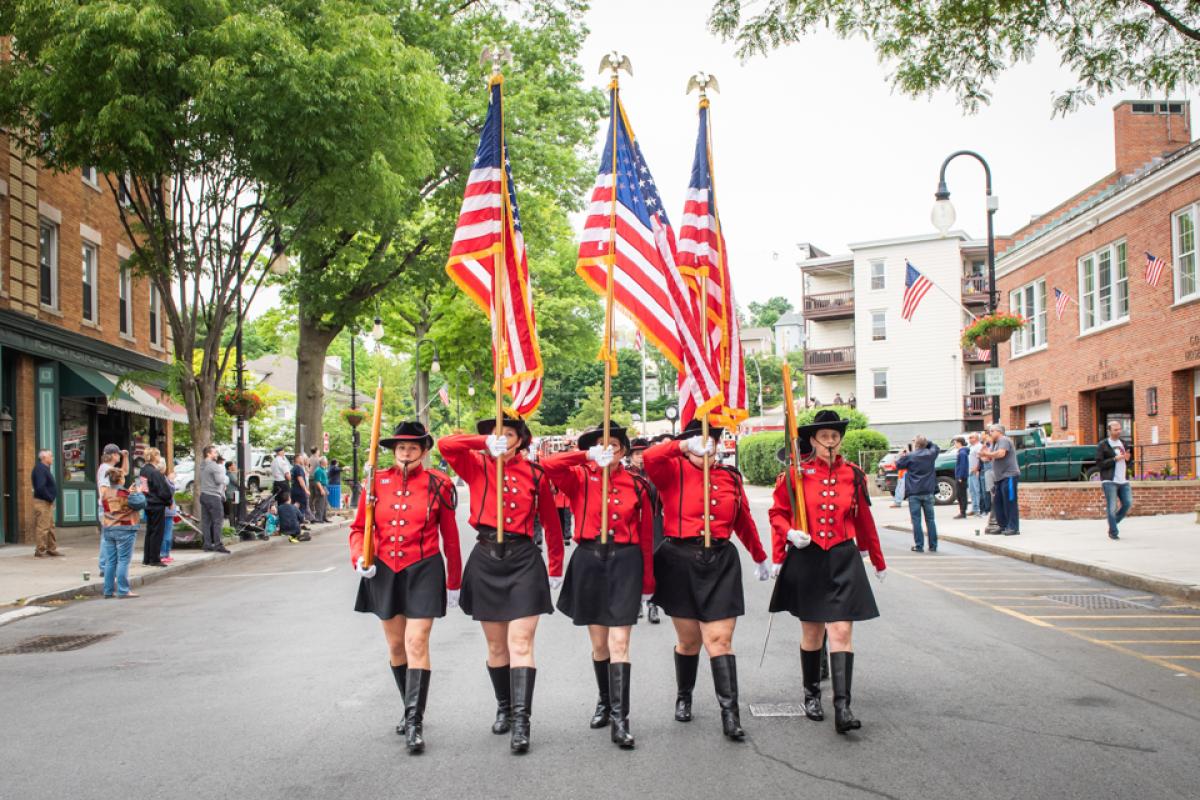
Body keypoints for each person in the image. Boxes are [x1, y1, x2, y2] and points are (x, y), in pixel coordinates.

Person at [439, 413, 564, 754]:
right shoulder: (477, 465)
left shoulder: (535, 474)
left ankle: (522, 723)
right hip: (486, 559)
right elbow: (445, 445)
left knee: (521, 642)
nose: (503, 439)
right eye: (497, 434)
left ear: (521, 439)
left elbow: (552, 523)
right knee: (497, 648)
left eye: (509, 434)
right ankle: (505, 706)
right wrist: (484, 443)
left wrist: (555, 566)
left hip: (523, 558)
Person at [642, 419, 770, 742]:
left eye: (711, 441)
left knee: (719, 640)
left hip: (720, 561)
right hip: (680, 561)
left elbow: (743, 519)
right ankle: (684, 695)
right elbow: (649, 458)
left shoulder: (730, 478)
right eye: (700, 442)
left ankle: (731, 715)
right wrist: (683, 445)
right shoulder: (671, 471)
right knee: (689, 642)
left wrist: (759, 555)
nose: (706, 447)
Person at [768, 409, 885, 735]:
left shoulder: (854, 475)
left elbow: (864, 520)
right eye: (824, 437)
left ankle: (843, 706)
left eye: (835, 436)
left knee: (842, 632)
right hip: (809, 557)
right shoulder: (796, 475)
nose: (831, 442)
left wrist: (877, 559)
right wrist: (789, 534)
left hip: (843, 557)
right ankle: (811, 694)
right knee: (812, 634)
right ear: (812, 441)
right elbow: (777, 513)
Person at [350, 421, 463, 754]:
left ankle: (414, 722)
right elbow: (358, 529)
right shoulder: (375, 482)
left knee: (417, 641)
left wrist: (453, 581)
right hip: (385, 569)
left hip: (423, 568)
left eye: (413, 448)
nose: (406, 453)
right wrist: (360, 557)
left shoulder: (438, 484)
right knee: (397, 645)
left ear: (424, 452)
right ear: (393, 450)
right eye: (401, 448)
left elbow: (451, 538)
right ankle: (408, 706)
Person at [541, 423, 654, 750]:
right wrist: (586, 455)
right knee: (600, 644)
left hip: (626, 562)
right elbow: (548, 467)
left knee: (620, 642)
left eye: (615, 446)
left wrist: (648, 583)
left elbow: (646, 537)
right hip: (589, 560)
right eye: (603, 446)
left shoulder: (638, 484)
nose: (610, 451)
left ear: (624, 450)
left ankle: (621, 720)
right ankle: (605, 702)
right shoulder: (578, 477)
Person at [627, 437, 662, 625]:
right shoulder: (625, 475)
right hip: (632, 524)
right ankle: (636, 602)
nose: (640, 457)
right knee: (635, 563)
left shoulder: (656, 474)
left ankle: (653, 604)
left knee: (653, 563)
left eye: (643, 454)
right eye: (637, 454)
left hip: (655, 523)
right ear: (630, 456)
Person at [99, 468, 141, 598]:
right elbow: (140, 503)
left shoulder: (105, 493)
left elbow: (116, 504)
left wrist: (129, 492)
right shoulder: (124, 493)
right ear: (121, 479)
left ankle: (108, 590)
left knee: (110, 561)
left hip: (108, 528)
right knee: (123, 560)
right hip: (125, 527)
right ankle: (123, 590)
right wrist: (137, 493)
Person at [896, 436, 941, 553]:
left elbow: (898, 464)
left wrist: (901, 454)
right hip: (928, 491)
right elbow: (936, 447)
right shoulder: (930, 454)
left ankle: (919, 545)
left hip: (914, 492)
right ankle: (933, 545)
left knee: (916, 520)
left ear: (916, 444)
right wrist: (927, 442)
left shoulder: (910, 456)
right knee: (930, 520)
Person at [1097, 421, 1133, 540]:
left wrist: (1128, 459)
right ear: (1109, 431)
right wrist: (1114, 459)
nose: (1118, 432)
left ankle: (1112, 523)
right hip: (1109, 480)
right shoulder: (1103, 445)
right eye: (1115, 430)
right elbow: (1099, 464)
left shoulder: (1123, 443)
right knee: (1112, 507)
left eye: (1119, 429)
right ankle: (1113, 532)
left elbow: (1129, 460)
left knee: (1128, 503)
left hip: (1123, 480)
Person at [96, 444, 129, 575]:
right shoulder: (105, 469)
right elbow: (104, 490)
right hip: (107, 508)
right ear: (113, 455)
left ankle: (105, 566)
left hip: (107, 507)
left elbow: (124, 472)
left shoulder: (108, 468)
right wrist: (113, 505)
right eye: (118, 454)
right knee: (107, 538)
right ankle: (104, 566)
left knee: (107, 537)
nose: (119, 456)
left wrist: (125, 457)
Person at [982, 424, 1020, 536]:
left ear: (999, 431)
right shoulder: (995, 443)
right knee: (998, 503)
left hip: (1009, 476)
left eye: (992, 431)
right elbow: (989, 457)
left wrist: (987, 453)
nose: (990, 433)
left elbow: (1001, 454)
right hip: (999, 478)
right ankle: (1003, 526)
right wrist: (984, 455)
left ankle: (1013, 527)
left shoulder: (1003, 440)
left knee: (1010, 502)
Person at [139, 448, 173, 566]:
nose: (159, 458)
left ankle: (147, 558)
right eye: (158, 455)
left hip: (147, 501)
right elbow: (163, 490)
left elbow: (144, 487)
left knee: (150, 531)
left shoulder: (143, 470)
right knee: (157, 532)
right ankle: (154, 558)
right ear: (155, 457)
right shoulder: (155, 473)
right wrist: (168, 500)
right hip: (157, 503)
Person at [198, 445, 229, 553]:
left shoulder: (202, 465)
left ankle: (207, 544)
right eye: (215, 452)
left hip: (204, 495)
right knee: (217, 521)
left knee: (206, 521)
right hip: (213, 496)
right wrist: (226, 479)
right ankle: (218, 544)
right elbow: (219, 480)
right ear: (209, 454)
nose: (216, 455)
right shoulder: (214, 466)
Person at [31, 449, 61, 557]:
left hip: (46, 502)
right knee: (43, 527)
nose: (52, 458)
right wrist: (49, 498)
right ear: (44, 458)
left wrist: (50, 500)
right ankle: (40, 550)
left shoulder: (45, 469)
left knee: (50, 526)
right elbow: (40, 487)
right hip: (42, 502)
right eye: (51, 456)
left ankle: (51, 548)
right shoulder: (40, 469)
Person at [161, 470, 178, 564]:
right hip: (167, 511)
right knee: (166, 534)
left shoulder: (167, 483)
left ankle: (166, 553)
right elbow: (171, 491)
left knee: (167, 534)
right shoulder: (168, 483)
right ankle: (164, 553)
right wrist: (170, 480)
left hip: (168, 512)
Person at [967, 433, 984, 517]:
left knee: (977, 491)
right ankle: (974, 509)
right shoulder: (971, 447)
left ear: (976, 438)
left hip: (975, 471)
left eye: (971, 437)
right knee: (972, 491)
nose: (969, 439)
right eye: (969, 438)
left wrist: (977, 469)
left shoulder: (978, 446)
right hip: (970, 472)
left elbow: (980, 458)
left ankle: (978, 510)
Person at [953, 437, 970, 519]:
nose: (955, 445)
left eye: (955, 443)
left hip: (961, 477)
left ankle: (963, 512)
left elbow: (963, 466)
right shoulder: (961, 452)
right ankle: (962, 511)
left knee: (961, 495)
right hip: (960, 476)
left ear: (959, 443)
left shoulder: (962, 453)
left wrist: (960, 476)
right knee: (959, 494)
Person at [291, 453, 311, 522]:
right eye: (302, 458)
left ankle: (295, 520)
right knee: (302, 506)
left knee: (296, 505)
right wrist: (306, 490)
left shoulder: (293, 468)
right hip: (299, 491)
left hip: (294, 490)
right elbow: (300, 480)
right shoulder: (298, 468)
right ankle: (300, 522)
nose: (303, 460)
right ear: (298, 459)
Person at [312, 457, 330, 523]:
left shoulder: (323, 469)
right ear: (323, 462)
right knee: (320, 503)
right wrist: (321, 489)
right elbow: (317, 481)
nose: (327, 462)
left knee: (324, 503)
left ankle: (324, 517)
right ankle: (319, 518)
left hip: (324, 486)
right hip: (320, 487)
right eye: (326, 460)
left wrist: (325, 489)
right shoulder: (318, 470)